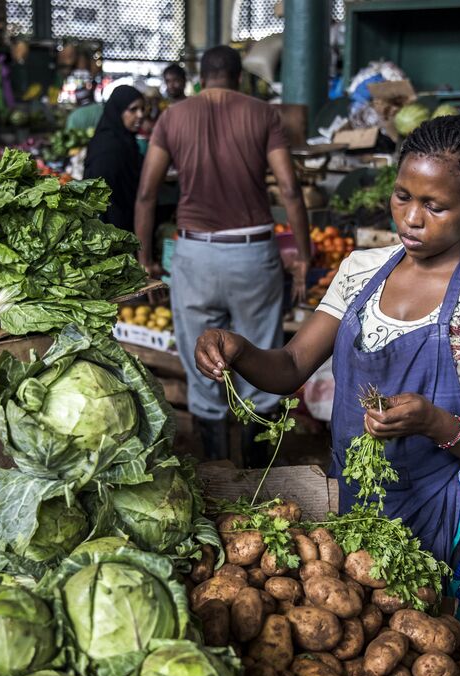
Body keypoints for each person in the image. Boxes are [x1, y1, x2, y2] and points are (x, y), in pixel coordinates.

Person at [196, 114, 460, 624]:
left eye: (434, 206)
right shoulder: (360, 270)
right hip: (351, 497)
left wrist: (433, 422)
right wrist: (238, 349)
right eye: (403, 197)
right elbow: (289, 367)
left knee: (421, 632)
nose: (412, 219)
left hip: (433, 509)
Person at [136, 45, 312, 464]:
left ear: (201, 76)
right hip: (252, 255)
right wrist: (303, 253)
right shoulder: (262, 113)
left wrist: (144, 258)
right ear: (238, 77)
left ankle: (217, 475)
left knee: (204, 367)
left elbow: (146, 193)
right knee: (261, 360)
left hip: (194, 254)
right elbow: (289, 188)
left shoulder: (173, 116)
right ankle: (257, 478)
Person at [83, 86, 145, 232]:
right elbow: (104, 200)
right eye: (133, 109)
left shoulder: (127, 142)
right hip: (111, 230)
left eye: (143, 109)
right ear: (117, 111)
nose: (140, 115)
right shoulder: (108, 148)